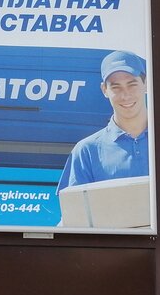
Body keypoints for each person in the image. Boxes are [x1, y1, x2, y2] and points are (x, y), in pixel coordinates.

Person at [57, 50, 149, 190]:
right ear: (104, 90)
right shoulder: (86, 151)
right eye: (116, 87)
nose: (125, 95)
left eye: (132, 85)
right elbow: (75, 203)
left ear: (146, 84)